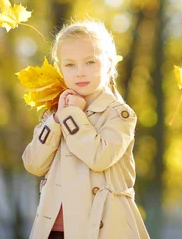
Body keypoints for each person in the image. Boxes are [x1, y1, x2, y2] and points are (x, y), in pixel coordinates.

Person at [22, 20, 150, 239]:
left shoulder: (118, 114)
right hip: (54, 230)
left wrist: (72, 116)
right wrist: (55, 119)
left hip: (102, 230)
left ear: (108, 64)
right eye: (70, 65)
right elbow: (33, 163)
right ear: (60, 68)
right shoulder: (55, 112)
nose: (80, 73)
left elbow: (100, 157)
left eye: (90, 62)